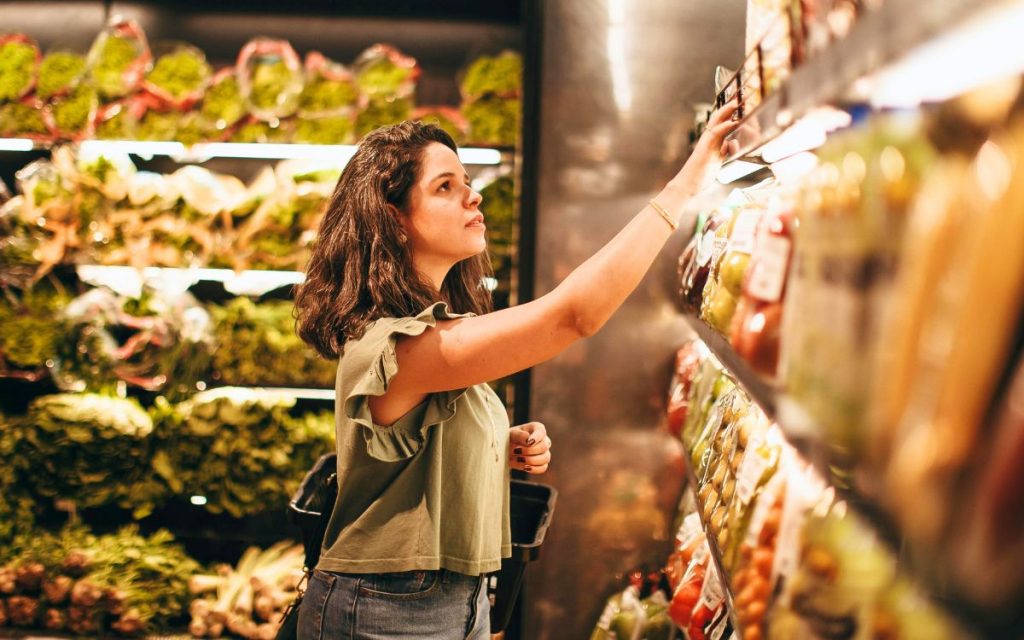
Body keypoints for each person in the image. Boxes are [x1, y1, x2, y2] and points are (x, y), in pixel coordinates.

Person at [292, 100, 739, 639]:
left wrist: (498, 444)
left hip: (450, 600)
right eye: (445, 187)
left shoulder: (433, 332)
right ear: (393, 217)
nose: (472, 194)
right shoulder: (391, 345)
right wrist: (685, 184)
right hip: (388, 609)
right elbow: (573, 315)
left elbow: (414, 454)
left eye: (466, 181)